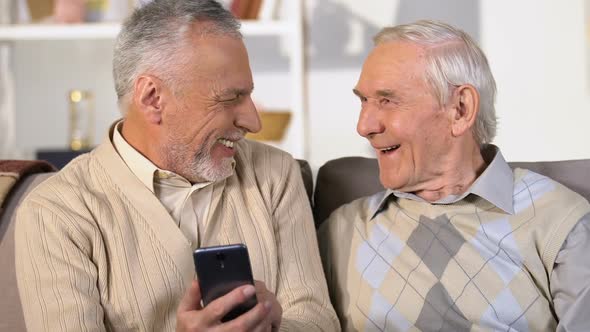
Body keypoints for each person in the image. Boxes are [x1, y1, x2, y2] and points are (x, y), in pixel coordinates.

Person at [14, 1, 339, 331]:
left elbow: (318, 320)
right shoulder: (56, 213)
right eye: (230, 98)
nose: (253, 121)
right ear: (153, 98)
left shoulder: (275, 174)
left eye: (248, 95)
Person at [319, 20, 590, 331]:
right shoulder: (343, 230)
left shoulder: (559, 220)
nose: (364, 125)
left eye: (387, 100)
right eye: (363, 100)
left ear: (460, 109)